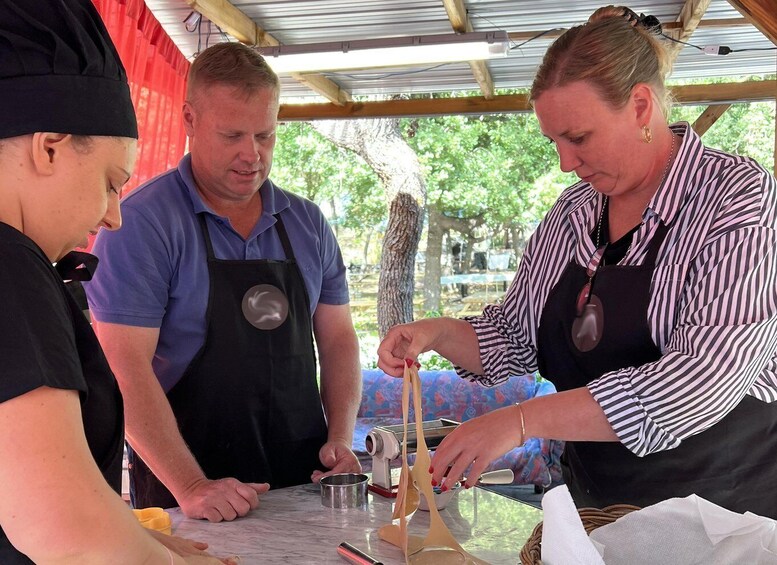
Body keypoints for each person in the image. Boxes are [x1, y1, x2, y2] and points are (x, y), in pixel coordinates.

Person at [378, 5, 777, 518]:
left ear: (639, 106)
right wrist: (436, 333)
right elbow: (513, 339)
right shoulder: (573, 212)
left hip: (722, 519)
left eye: (580, 138)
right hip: (597, 512)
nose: (566, 162)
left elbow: (702, 380)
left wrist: (519, 421)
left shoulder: (735, 197)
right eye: (555, 142)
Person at [85, 41, 362, 522]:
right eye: (232, 135)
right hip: (190, 492)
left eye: (265, 136)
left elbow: (338, 339)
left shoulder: (308, 223)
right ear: (189, 119)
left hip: (304, 485)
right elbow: (123, 367)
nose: (251, 155)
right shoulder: (142, 224)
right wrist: (191, 486)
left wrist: (339, 438)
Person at [0, 1, 234, 563]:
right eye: (111, 182)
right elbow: (70, 534)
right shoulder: (9, 266)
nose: (114, 216)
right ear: (49, 146)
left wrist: (140, 541)